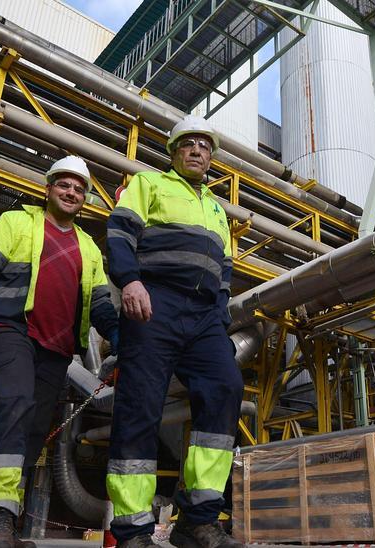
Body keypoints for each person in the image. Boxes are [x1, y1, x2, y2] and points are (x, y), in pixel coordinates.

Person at [0, 155, 119, 548]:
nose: (71, 192)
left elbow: (99, 303)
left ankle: (7, 521)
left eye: (79, 189)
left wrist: (119, 335)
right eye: (64, 185)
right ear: (48, 189)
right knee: (12, 404)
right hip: (10, 329)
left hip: (57, 350)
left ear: (85, 200)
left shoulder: (88, 248)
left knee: (32, 428)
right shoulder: (18, 223)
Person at [104, 115, 243, 548]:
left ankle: (196, 519)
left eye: (205, 146)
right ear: (174, 151)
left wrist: (219, 316)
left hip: (204, 316)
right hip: (154, 302)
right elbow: (119, 233)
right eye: (189, 144)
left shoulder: (217, 209)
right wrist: (129, 280)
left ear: (211, 157)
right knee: (140, 406)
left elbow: (224, 269)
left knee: (225, 387)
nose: (198, 151)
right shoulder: (149, 184)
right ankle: (131, 529)